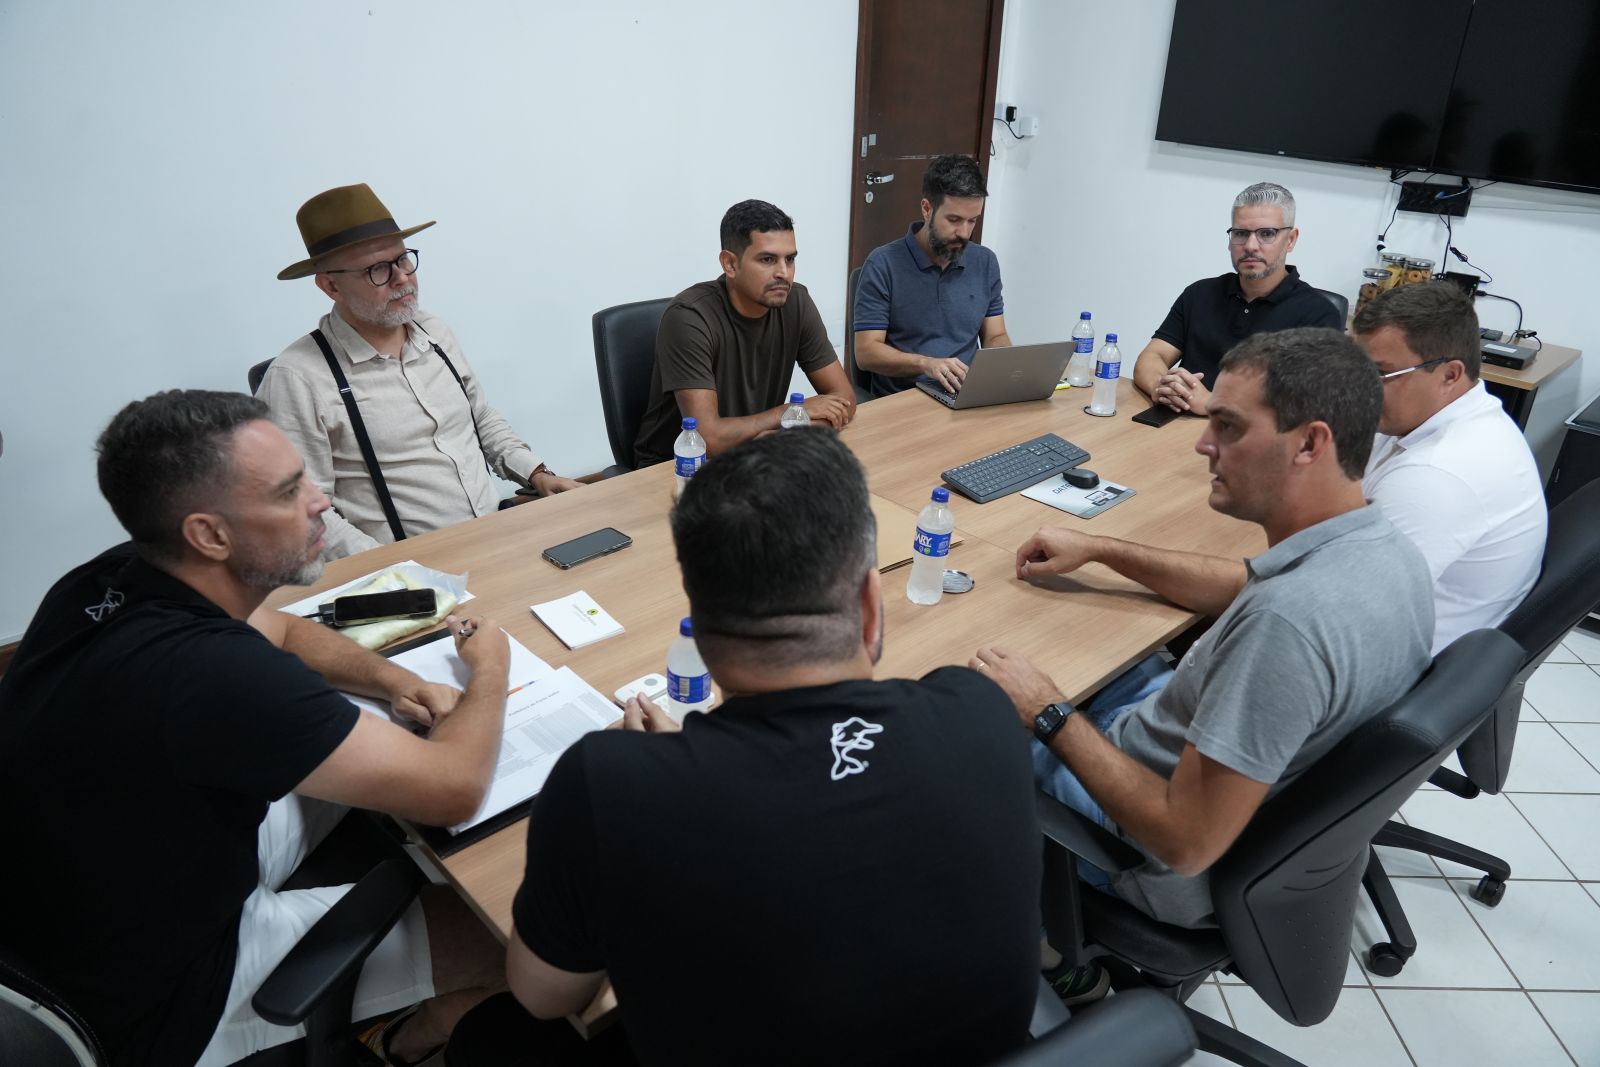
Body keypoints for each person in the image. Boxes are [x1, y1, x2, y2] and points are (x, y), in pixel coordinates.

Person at [454, 431, 1042, 1066]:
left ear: (699, 637)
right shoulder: (979, 709)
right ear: (872, 608)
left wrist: (651, 784)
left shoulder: (612, 786)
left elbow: (546, 998)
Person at [0, 391, 510, 1066]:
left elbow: (285, 630)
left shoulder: (111, 577)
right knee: (505, 933)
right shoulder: (213, 674)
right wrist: (491, 668)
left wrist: (397, 682)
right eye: (289, 490)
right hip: (160, 995)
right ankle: (406, 1040)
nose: (321, 499)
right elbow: (456, 788)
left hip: (105, 883)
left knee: (381, 744)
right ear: (209, 534)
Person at [972, 328, 1431, 987]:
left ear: (1310, 442)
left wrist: (1047, 711)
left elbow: (1185, 842)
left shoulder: (1287, 627)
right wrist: (1104, 550)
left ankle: (1045, 961)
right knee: (1092, 642)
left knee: (954, 726)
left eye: (1228, 426)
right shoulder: (1386, 550)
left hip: (1150, 851)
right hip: (1190, 758)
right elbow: (1247, 582)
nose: (1202, 442)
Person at [260, 183, 580, 560]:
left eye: (403, 259)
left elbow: (479, 418)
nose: (401, 278)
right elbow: (307, 509)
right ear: (331, 285)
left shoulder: (435, 332)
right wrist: (388, 570)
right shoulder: (297, 378)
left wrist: (536, 473)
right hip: (406, 571)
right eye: (377, 270)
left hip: (497, 538)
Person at [1354, 281, 1547, 652]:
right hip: (1387, 631)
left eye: (1379, 374)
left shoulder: (1438, 476)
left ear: (1449, 375)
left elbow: (1329, 609)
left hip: (1390, 667)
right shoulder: (1437, 417)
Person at [632, 200, 858, 467]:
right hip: (677, 468)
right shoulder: (689, 317)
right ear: (730, 264)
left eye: (790, 259)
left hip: (756, 458)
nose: (784, 273)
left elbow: (844, 400)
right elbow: (708, 438)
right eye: (767, 259)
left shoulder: (796, 302)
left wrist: (776, 435)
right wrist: (789, 414)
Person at [1132, 182, 1343, 415]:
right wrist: (1162, 387)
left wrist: (1216, 404)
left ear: (1291, 239)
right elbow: (1152, 356)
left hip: (1253, 443)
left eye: (1267, 234)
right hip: (1177, 427)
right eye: (1241, 234)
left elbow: (1308, 404)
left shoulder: (1319, 314)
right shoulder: (1200, 293)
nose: (1251, 246)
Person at [852, 153, 1010, 397]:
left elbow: (996, 335)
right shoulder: (883, 264)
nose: (964, 233)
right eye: (954, 220)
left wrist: (1009, 367)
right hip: (905, 401)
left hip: (965, 395)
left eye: (972, 221)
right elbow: (866, 353)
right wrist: (927, 364)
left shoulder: (984, 262)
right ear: (927, 209)